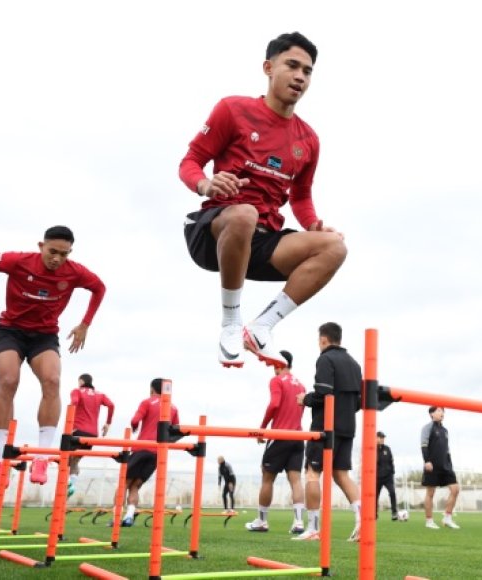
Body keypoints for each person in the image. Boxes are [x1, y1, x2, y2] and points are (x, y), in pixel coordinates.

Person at [180, 31, 347, 370]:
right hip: (216, 231)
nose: (300, 76)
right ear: (269, 68)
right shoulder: (233, 109)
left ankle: (261, 328)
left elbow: (300, 197)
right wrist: (205, 184)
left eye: (308, 70)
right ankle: (230, 323)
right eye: (292, 65)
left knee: (335, 246)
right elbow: (189, 161)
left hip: (263, 241)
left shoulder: (308, 140)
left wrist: (312, 224)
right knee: (244, 214)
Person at [0, 225, 106, 489]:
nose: (57, 259)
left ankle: (42, 455)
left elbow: (99, 288)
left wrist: (85, 324)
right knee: (8, 381)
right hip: (10, 331)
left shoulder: (75, 272)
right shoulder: (19, 261)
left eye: (64, 254)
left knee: (52, 380)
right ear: (41, 246)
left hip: (45, 335)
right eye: (53, 252)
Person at [295, 322, 362, 542]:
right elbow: (360, 401)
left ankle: (313, 528)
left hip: (325, 427)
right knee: (341, 474)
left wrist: (305, 399)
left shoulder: (325, 358)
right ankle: (363, 522)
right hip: (347, 427)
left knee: (312, 473)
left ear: (323, 340)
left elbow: (323, 393)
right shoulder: (354, 364)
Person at [245, 350, 306, 534]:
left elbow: (274, 404)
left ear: (279, 363)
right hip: (297, 437)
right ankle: (298, 522)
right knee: (295, 480)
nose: (272, 366)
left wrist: (263, 427)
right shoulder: (301, 385)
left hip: (280, 435)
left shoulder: (277, 380)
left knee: (267, 476)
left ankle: (262, 521)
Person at [115, 378, 180, 527]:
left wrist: (135, 427)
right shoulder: (173, 407)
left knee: (124, 483)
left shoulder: (147, 402)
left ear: (152, 389)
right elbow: (177, 430)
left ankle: (116, 516)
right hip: (157, 453)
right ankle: (129, 516)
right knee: (135, 486)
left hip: (141, 448)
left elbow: (134, 419)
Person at [67, 373, 114, 497]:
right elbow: (111, 405)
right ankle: (72, 484)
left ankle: (69, 484)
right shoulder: (100, 394)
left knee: (67, 459)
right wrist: (108, 423)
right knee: (75, 460)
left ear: (81, 381)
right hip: (92, 434)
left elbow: (74, 402)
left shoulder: (77, 391)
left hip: (77, 431)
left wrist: (69, 424)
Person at [421, 406, 460, 530]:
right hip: (432, 465)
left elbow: (447, 449)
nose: (442, 413)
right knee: (430, 493)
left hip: (446, 466)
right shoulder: (427, 428)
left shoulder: (445, 430)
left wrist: (450, 463)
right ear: (432, 414)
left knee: (455, 489)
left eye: (443, 411)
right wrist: (427, 461)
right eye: (439, 410)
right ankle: (429, 521)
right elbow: (423, 445)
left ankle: (447, 518)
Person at [375, 431, 398, 521]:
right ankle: (374, 514)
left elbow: (391, 461)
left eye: (383, 438)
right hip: (377, 478)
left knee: (392, 493)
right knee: (375, 496)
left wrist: (392, 472)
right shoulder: (372, 449)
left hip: (388, 477)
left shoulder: (387, 449)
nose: (382, 439)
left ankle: (394, 513)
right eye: (380, 437)